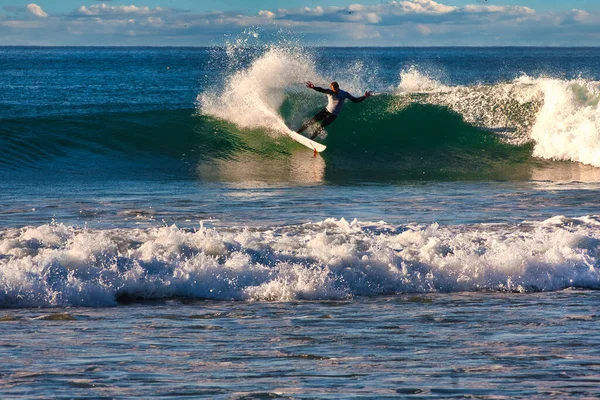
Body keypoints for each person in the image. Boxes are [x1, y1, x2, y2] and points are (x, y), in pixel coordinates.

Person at [297, 81, 372, 139]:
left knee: (321, 126)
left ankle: (311, 139)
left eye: (336, 89)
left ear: (338, 87)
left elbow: (356, 100)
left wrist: (364, 96)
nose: (335, 90)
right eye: (333, 89)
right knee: (311, 121)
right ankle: (297, 132)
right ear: (331, 88)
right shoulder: (330, 92)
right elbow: (321, 89)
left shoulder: (344, 94)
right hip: (325, 111)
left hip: (333, 115)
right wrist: (313, 87)